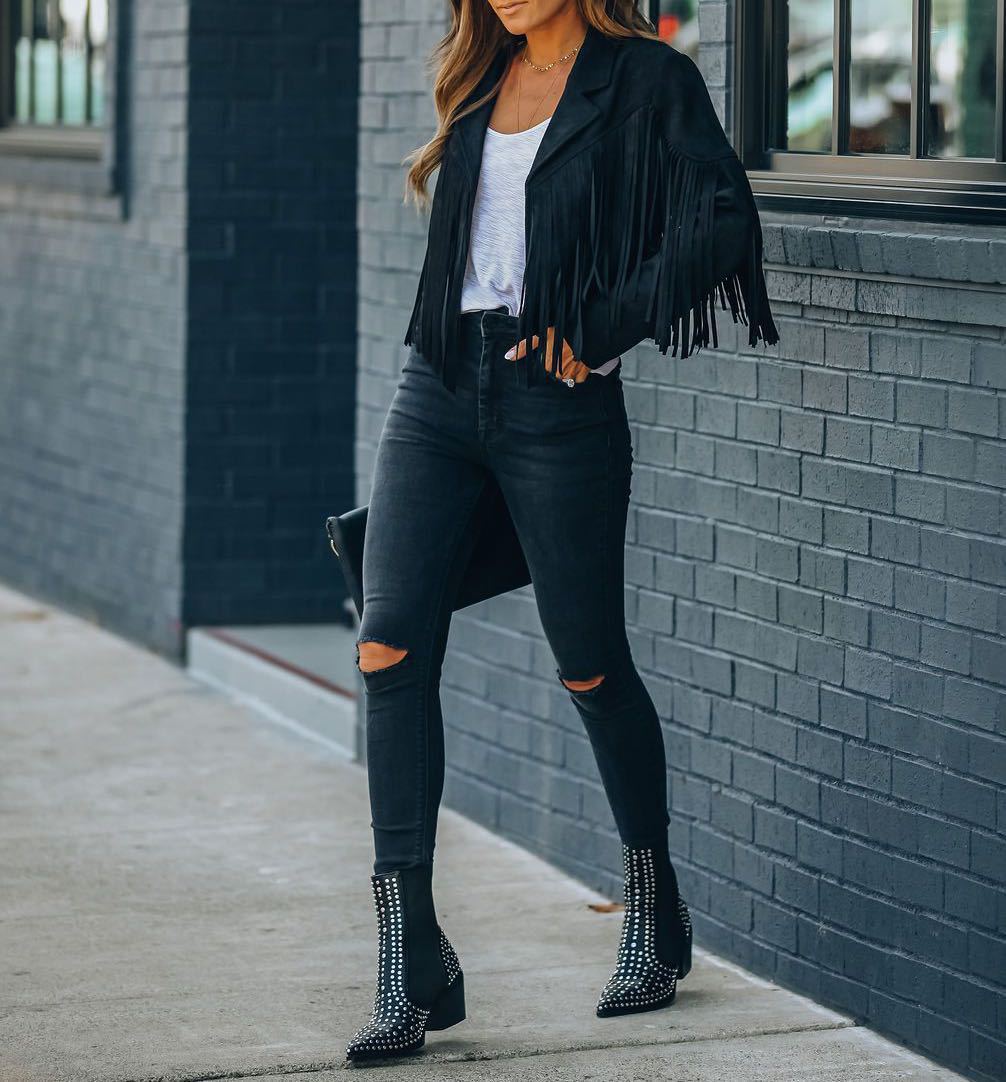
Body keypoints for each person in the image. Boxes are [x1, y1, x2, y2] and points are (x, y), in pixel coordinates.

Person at [346, 0, 777, 1062]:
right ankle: (410, 956)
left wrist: (598, 326)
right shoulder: (481, 75)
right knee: (386, 645)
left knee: (590, 666)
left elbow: (720, 216)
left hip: (556, 399)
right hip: (439, 383)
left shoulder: (644, 79)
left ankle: (651, 906)